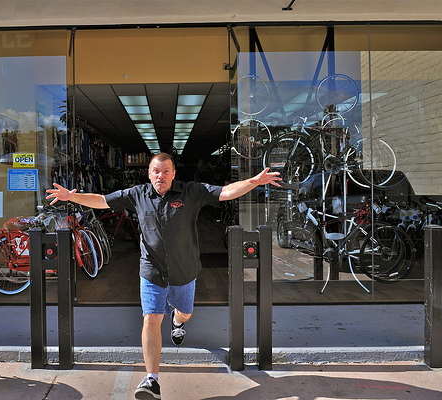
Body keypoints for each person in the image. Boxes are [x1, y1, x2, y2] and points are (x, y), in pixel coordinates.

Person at [46, 152, 281, 399]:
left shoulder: (191, 192)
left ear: (173, 174)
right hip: (151, 270)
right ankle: (152, 379)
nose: (161, 175)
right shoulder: (137, 194)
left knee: (185, 312)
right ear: (149, 174)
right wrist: (72, 197)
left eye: (166, 171)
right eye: (156, 171)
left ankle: (178, 322)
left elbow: (225, 192)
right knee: (151, 319)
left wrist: (253, 182)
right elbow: (103, 200)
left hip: (185, 269)